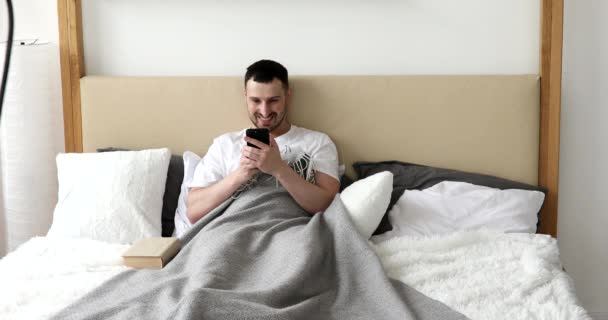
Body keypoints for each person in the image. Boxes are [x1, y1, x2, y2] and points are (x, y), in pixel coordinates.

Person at [186, 60, 340, 225]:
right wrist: (242, 173)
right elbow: (194, 212)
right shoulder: (225, 144)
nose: (265, 111)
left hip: (291, 230)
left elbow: (328, 207)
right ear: (245, 96)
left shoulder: (317, 142)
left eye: (273, 100)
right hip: (232, 231)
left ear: (287, 96)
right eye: (256, 101)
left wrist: (278, 168)